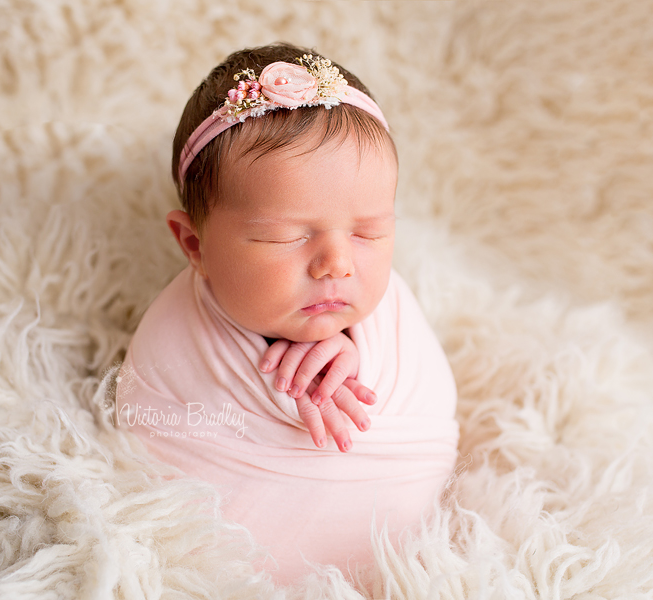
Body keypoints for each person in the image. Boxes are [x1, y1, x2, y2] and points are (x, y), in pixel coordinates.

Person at [116, 43, 459, 584]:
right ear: (195, 244)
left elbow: (418, 400)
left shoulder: (390, 315)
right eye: (286, 236)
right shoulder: (175, 337)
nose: (337, 264)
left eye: (369, 232)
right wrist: (275, 374)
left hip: (401, 565)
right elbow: (150, 448)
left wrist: (353, 348)